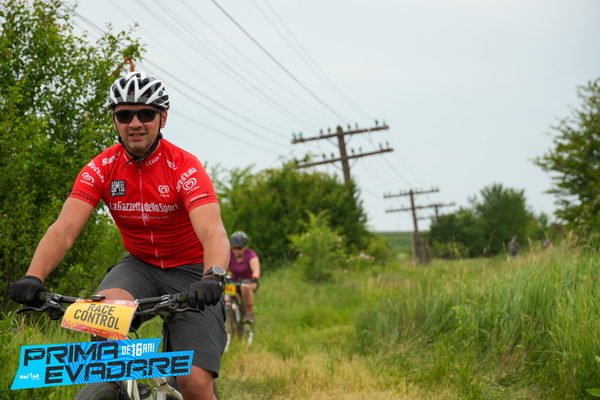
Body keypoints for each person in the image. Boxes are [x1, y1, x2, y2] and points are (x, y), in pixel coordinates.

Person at [8, 71, 229, 400]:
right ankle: (124, 387)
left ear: (163, 118)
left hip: (192, 270)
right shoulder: (101, 167)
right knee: (103, 321)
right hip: (140, 265)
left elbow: (213, 231)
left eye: (146, 114)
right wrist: (33, 276)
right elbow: (64, 229)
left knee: (195, 383)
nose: (135, 123)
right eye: (125, 115)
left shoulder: (184, 167)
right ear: (115, 120)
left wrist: (212, 276)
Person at [227, 231, 260, 323]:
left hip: (249, 282)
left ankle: (249, 313)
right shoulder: (229, 254)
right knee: (226, 294)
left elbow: (256, 269)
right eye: (234, 248)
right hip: (234, 283)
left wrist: (254, 277)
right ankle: (229, 318)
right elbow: (223, 267)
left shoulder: (250, 254)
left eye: (239, 248)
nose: (236, 251)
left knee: (244, 287)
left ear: (245, 247)